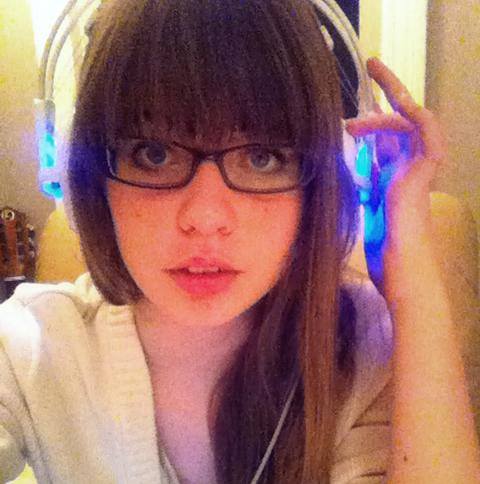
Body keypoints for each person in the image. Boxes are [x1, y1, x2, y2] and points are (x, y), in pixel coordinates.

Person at [1, 0, 479, 483]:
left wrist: (412, 281)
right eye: (154, 153)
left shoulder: (363, 350)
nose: (205, 218)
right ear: (86, 171)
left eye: (262, 157)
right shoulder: (31, 348)